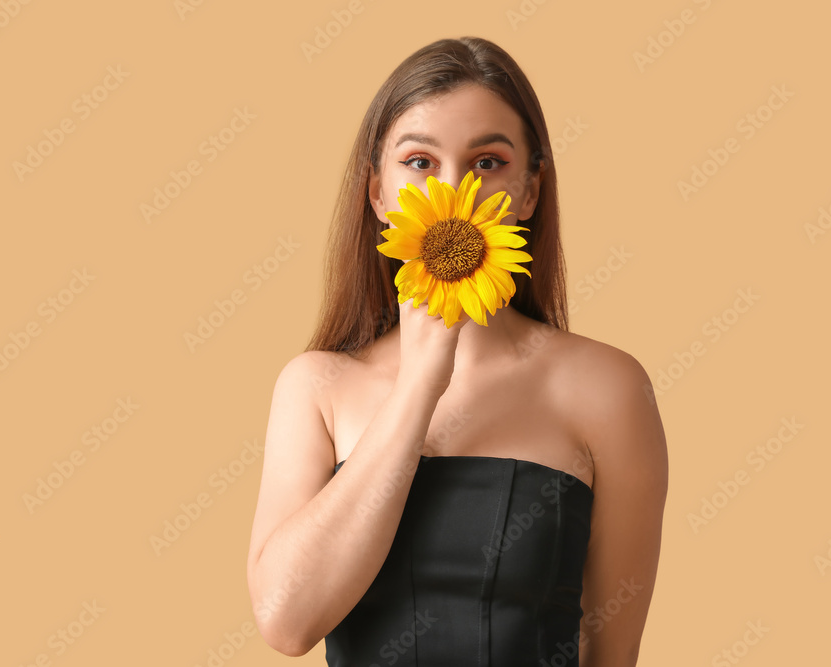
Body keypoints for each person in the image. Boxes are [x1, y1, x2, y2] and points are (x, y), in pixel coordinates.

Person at [246, 36, 668, 666]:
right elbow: (286, 622)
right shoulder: (316, 388)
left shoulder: (607, 387)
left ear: (529, 191)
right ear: (378, 194)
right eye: (419, 161)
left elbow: (612, 652)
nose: (455, 194)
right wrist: (421, 381)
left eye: (487, 162)